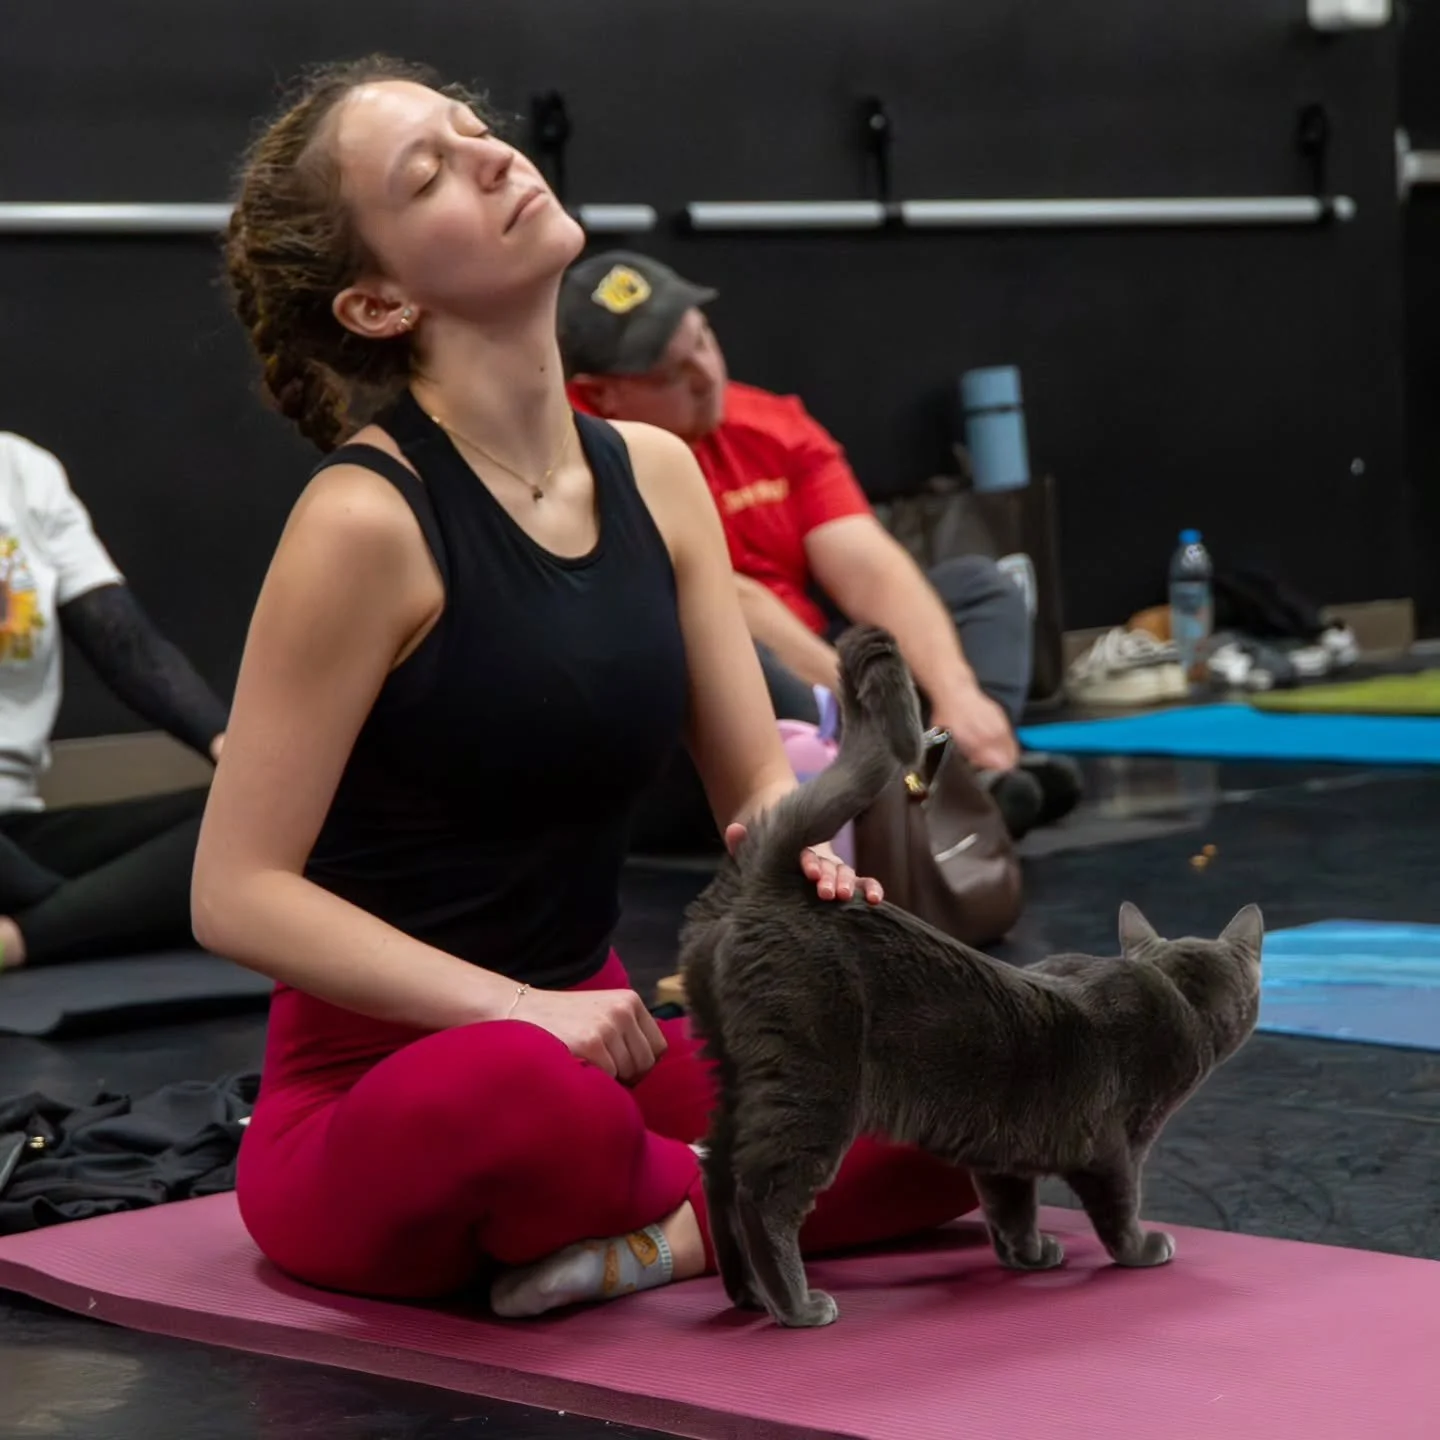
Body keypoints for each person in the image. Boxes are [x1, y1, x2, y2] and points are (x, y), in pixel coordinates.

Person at [196, 56, 977, 1318]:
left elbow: (756, 785)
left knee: (973, 1071)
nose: (493, 155)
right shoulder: (363, 520)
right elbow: (234, 893)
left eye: (476, 131)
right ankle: (738, 1200)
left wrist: (802, 859)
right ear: (379, 302)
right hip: (398, 1097)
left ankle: (666, 1236)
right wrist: (520, 1012)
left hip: (599, 1049)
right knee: (517, 1096)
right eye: (430, 173)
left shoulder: (658, 475)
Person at [559, 251, 1081, 838]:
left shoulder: (770, 424)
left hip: (816, 667)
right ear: (601, 395)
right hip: (699, 713)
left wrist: (956, 694)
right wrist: (867, 708)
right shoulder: (580, 454)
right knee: (727, 652)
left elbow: (866, 563)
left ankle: (939, 774)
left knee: (979, 588)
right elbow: (727, 601)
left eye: (703, 340)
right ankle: (922, 795)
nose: (706, 376)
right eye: (670, 373)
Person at [0, 430, 227, 973]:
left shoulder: (22, 469)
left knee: (287, 828)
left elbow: (125, 644)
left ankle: (25, 935)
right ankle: (72, 920)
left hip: (18, 828)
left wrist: (235, 754)